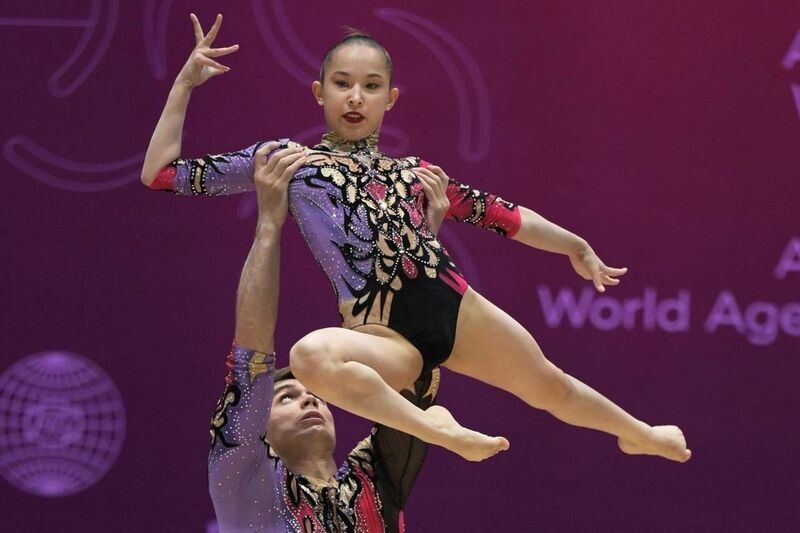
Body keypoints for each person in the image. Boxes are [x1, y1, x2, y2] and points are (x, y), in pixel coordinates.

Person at [142, 14, 690, 464]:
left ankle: (639, 433)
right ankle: (435, 428)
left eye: (371, 86)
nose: (355, 97)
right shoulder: (290, 163)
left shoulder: (417, 174)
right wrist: (184, 84)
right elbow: (162, 175)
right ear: (318, 92)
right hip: (380, 332)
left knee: (551, 387)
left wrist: (575, 245)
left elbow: (504, 215)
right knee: (310, 357)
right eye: (342, 84)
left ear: (391, 98)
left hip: (452, 307)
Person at [207, 139, 449, 532]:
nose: (309, 400)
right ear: (256, 426)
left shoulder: (374, 485)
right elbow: (251, 355)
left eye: (318, 396)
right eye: (287, 397)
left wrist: (420, 243)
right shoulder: (244, 479)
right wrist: (268, 225)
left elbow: (411, 362)